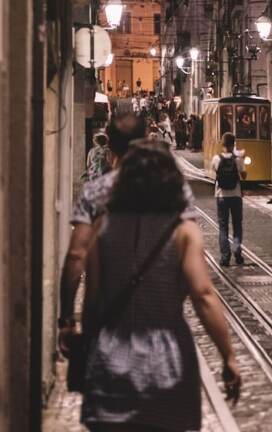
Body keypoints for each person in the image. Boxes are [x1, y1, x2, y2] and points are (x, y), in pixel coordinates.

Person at [80, 142, 241, 430]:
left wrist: (90, 353)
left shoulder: (101, 228)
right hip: (168, 358)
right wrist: (228, 355)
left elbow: (92, 301)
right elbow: (203, 296)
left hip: (110, 358)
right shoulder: (184, 232)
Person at [58, 113, 196, 352]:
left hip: (107, 331)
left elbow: (76, 256)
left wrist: (67, 318)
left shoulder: (95, 192)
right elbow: (198, 280)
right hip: (163, 333)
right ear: (144, 141)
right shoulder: (174, 189)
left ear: (109, 146)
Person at [211, 132, 246, 266]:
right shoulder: (237, 159)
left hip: (221, 196)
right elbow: (244, 176)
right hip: (236, 196)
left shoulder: (216, 159)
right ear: (233, 144)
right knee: (237, 226)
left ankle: (225, 257)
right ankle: (237, 251)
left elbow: (215, 172)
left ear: (223, 143)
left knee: (223, 226)